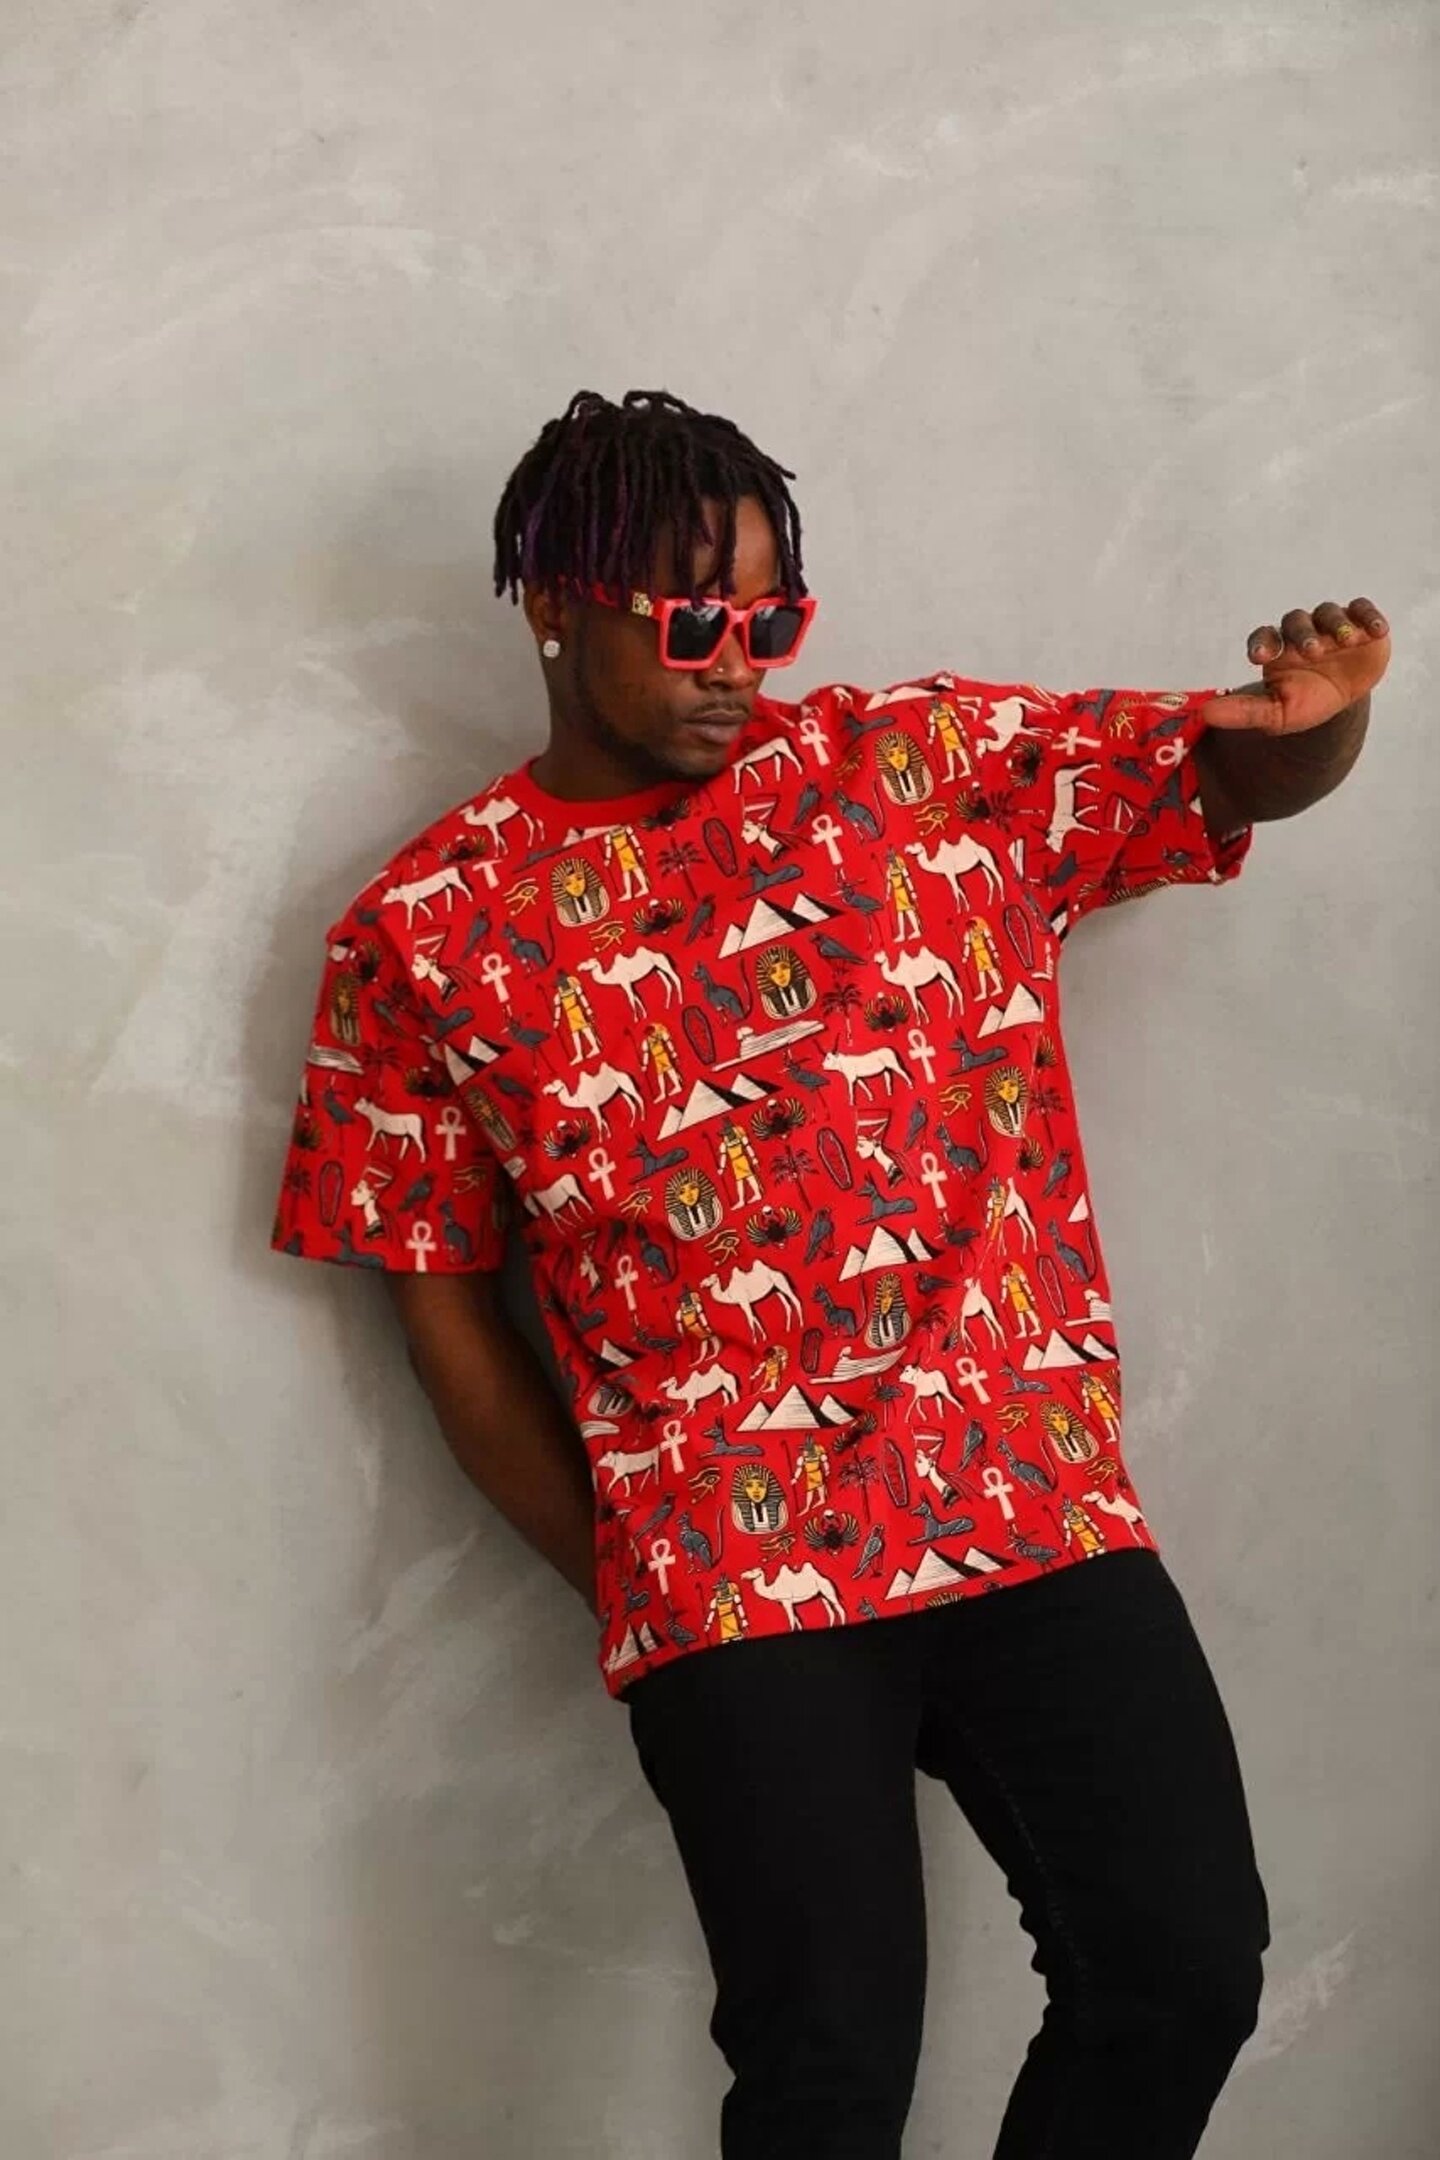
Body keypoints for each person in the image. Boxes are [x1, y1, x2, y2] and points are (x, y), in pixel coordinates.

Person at [270, 389, 1390, 2157]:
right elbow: (440, 1315)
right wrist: (635, 1583)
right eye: (689, 621)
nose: (737, 662)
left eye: (770, 618)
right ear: (552, 605)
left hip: (1022, 1500)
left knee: (1182, 1966)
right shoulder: (423, 934)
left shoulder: (926, 769)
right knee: (826, 2081)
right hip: (728, 1567)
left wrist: (1326, 724)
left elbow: (1231, 770)